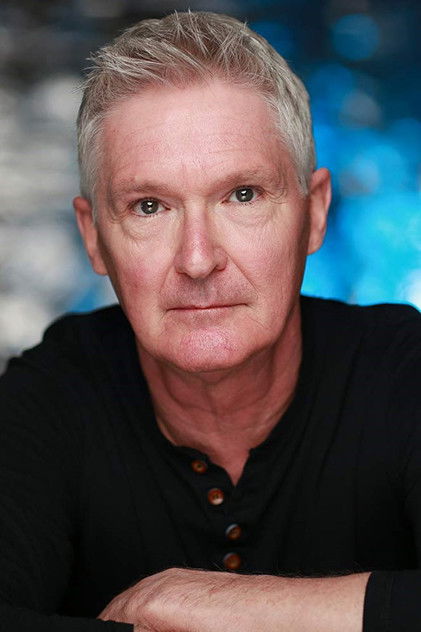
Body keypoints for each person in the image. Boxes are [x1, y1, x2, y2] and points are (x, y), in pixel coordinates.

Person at [0, 10, 420, 632]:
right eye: (149, 206)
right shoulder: (48, 400)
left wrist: (214, 605)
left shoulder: (404, 371)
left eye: (242, 195)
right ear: (93, 237)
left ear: (313, 213)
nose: (198, 260)